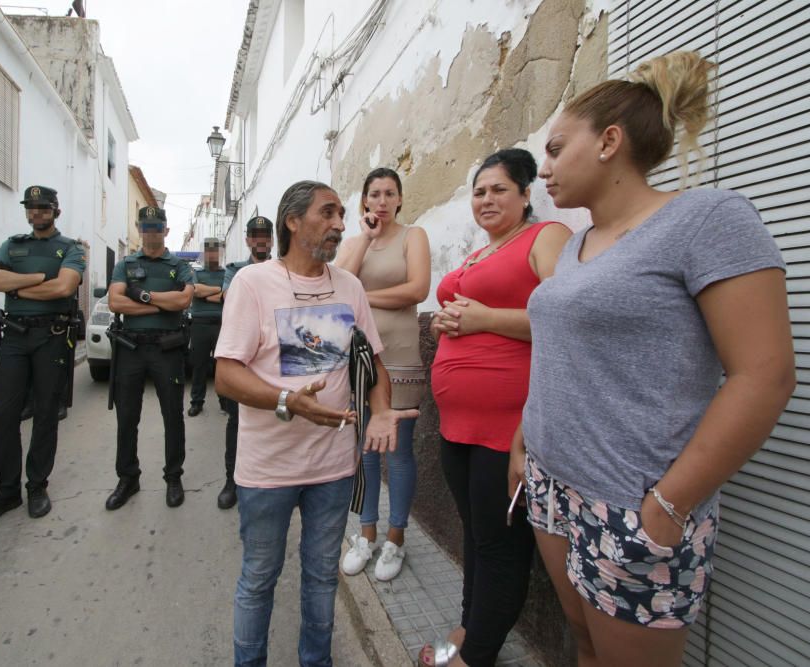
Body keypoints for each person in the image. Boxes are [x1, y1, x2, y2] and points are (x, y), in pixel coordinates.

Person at [511, 51, 793, 667]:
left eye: (557, 149)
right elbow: (560, 355)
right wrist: (522, 445)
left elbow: (764, 373)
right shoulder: (577, 242)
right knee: (582, 641)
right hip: (553, 486)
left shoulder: (707, 219)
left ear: (610, 141)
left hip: (630, 503)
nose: (545, 170)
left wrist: (669, 504)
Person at [215, 180, 419, 667]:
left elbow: (374, 364)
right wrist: (288, 399)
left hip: (332, 468)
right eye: (328, 213)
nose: (341, 224)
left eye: (341, 214)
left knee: (322, 576)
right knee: (259, 578)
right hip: (268, 472)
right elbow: (226, 374)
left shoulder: (349, 287)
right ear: (292, 221)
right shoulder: (253, 283)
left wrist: (384, 407)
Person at [422, 150, 571, 666]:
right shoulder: (475, 254)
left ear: (527, 194)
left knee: (502, 549)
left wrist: (485, 319)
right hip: (458, 424)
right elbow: (465, 314)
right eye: (479, 191)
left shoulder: (545, 237)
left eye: (499, 189)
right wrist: (448, 322)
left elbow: (565, 318)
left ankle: (475, 656)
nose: (486, 199)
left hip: (508, 429)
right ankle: (466, 631)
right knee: (476, 537)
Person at [335, 167, 431, 581]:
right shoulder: (358, 242)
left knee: (398, 450)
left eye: (389, 193)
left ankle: (396, 539)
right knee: (366, 449)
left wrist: (364, 298)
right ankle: (367, 532)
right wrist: (366, 238)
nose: (381, 201)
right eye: (374, 193)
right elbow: (340, 282)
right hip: (360, 358)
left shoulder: (415, 236)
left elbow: (417, 290)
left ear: (400, 199)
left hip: (400, 353)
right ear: (364, 201)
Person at [0, 186, 85, 526]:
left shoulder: (70, 248)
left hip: (51, 337)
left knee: (46, 413)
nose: (36, 213)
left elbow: (63, 288)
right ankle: (5, 492)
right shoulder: (12, 244)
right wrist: (35, 279)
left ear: (55, 211)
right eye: (31, 207)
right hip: (14, 338)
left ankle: (37, 486)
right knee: (4, 415)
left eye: (43, 207)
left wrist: (14, 285)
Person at [104, 206, 195, 510]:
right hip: (131, 348)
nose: (152, 231)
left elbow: (183, 299)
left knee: (173, 414)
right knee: (127, 416)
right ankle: (128, 478)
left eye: (157, 226)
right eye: (147, 226)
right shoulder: (125, 264)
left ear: (166, 230)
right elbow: (116, 301)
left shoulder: (179, 265)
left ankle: (173, 476)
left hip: (167, 349)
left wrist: (142, 296)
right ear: (139, 229)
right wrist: (161, 305)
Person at [216, 214, 274, 510]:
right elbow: (229, 297)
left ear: (272, 239)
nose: (260, 240)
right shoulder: (235, 270)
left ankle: (274, 482)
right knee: (238, 423)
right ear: (248, 239)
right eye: (255, 235)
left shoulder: (284, 268)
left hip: (274, 358)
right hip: (244, 358)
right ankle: (232, 481)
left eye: (265, 235)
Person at [187, 237, 225, 417]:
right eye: (209, 250)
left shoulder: (226, 274)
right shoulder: (197, 273)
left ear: (220, 253)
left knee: (223, 366)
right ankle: (196, 402)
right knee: (199, 366)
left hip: (221, 325)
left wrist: (207, 292)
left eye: (215, 250)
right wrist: (218, 290)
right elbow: (195, 290)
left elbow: (226, 295)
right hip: (200, 325)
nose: (212, 254)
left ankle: (225, 402)